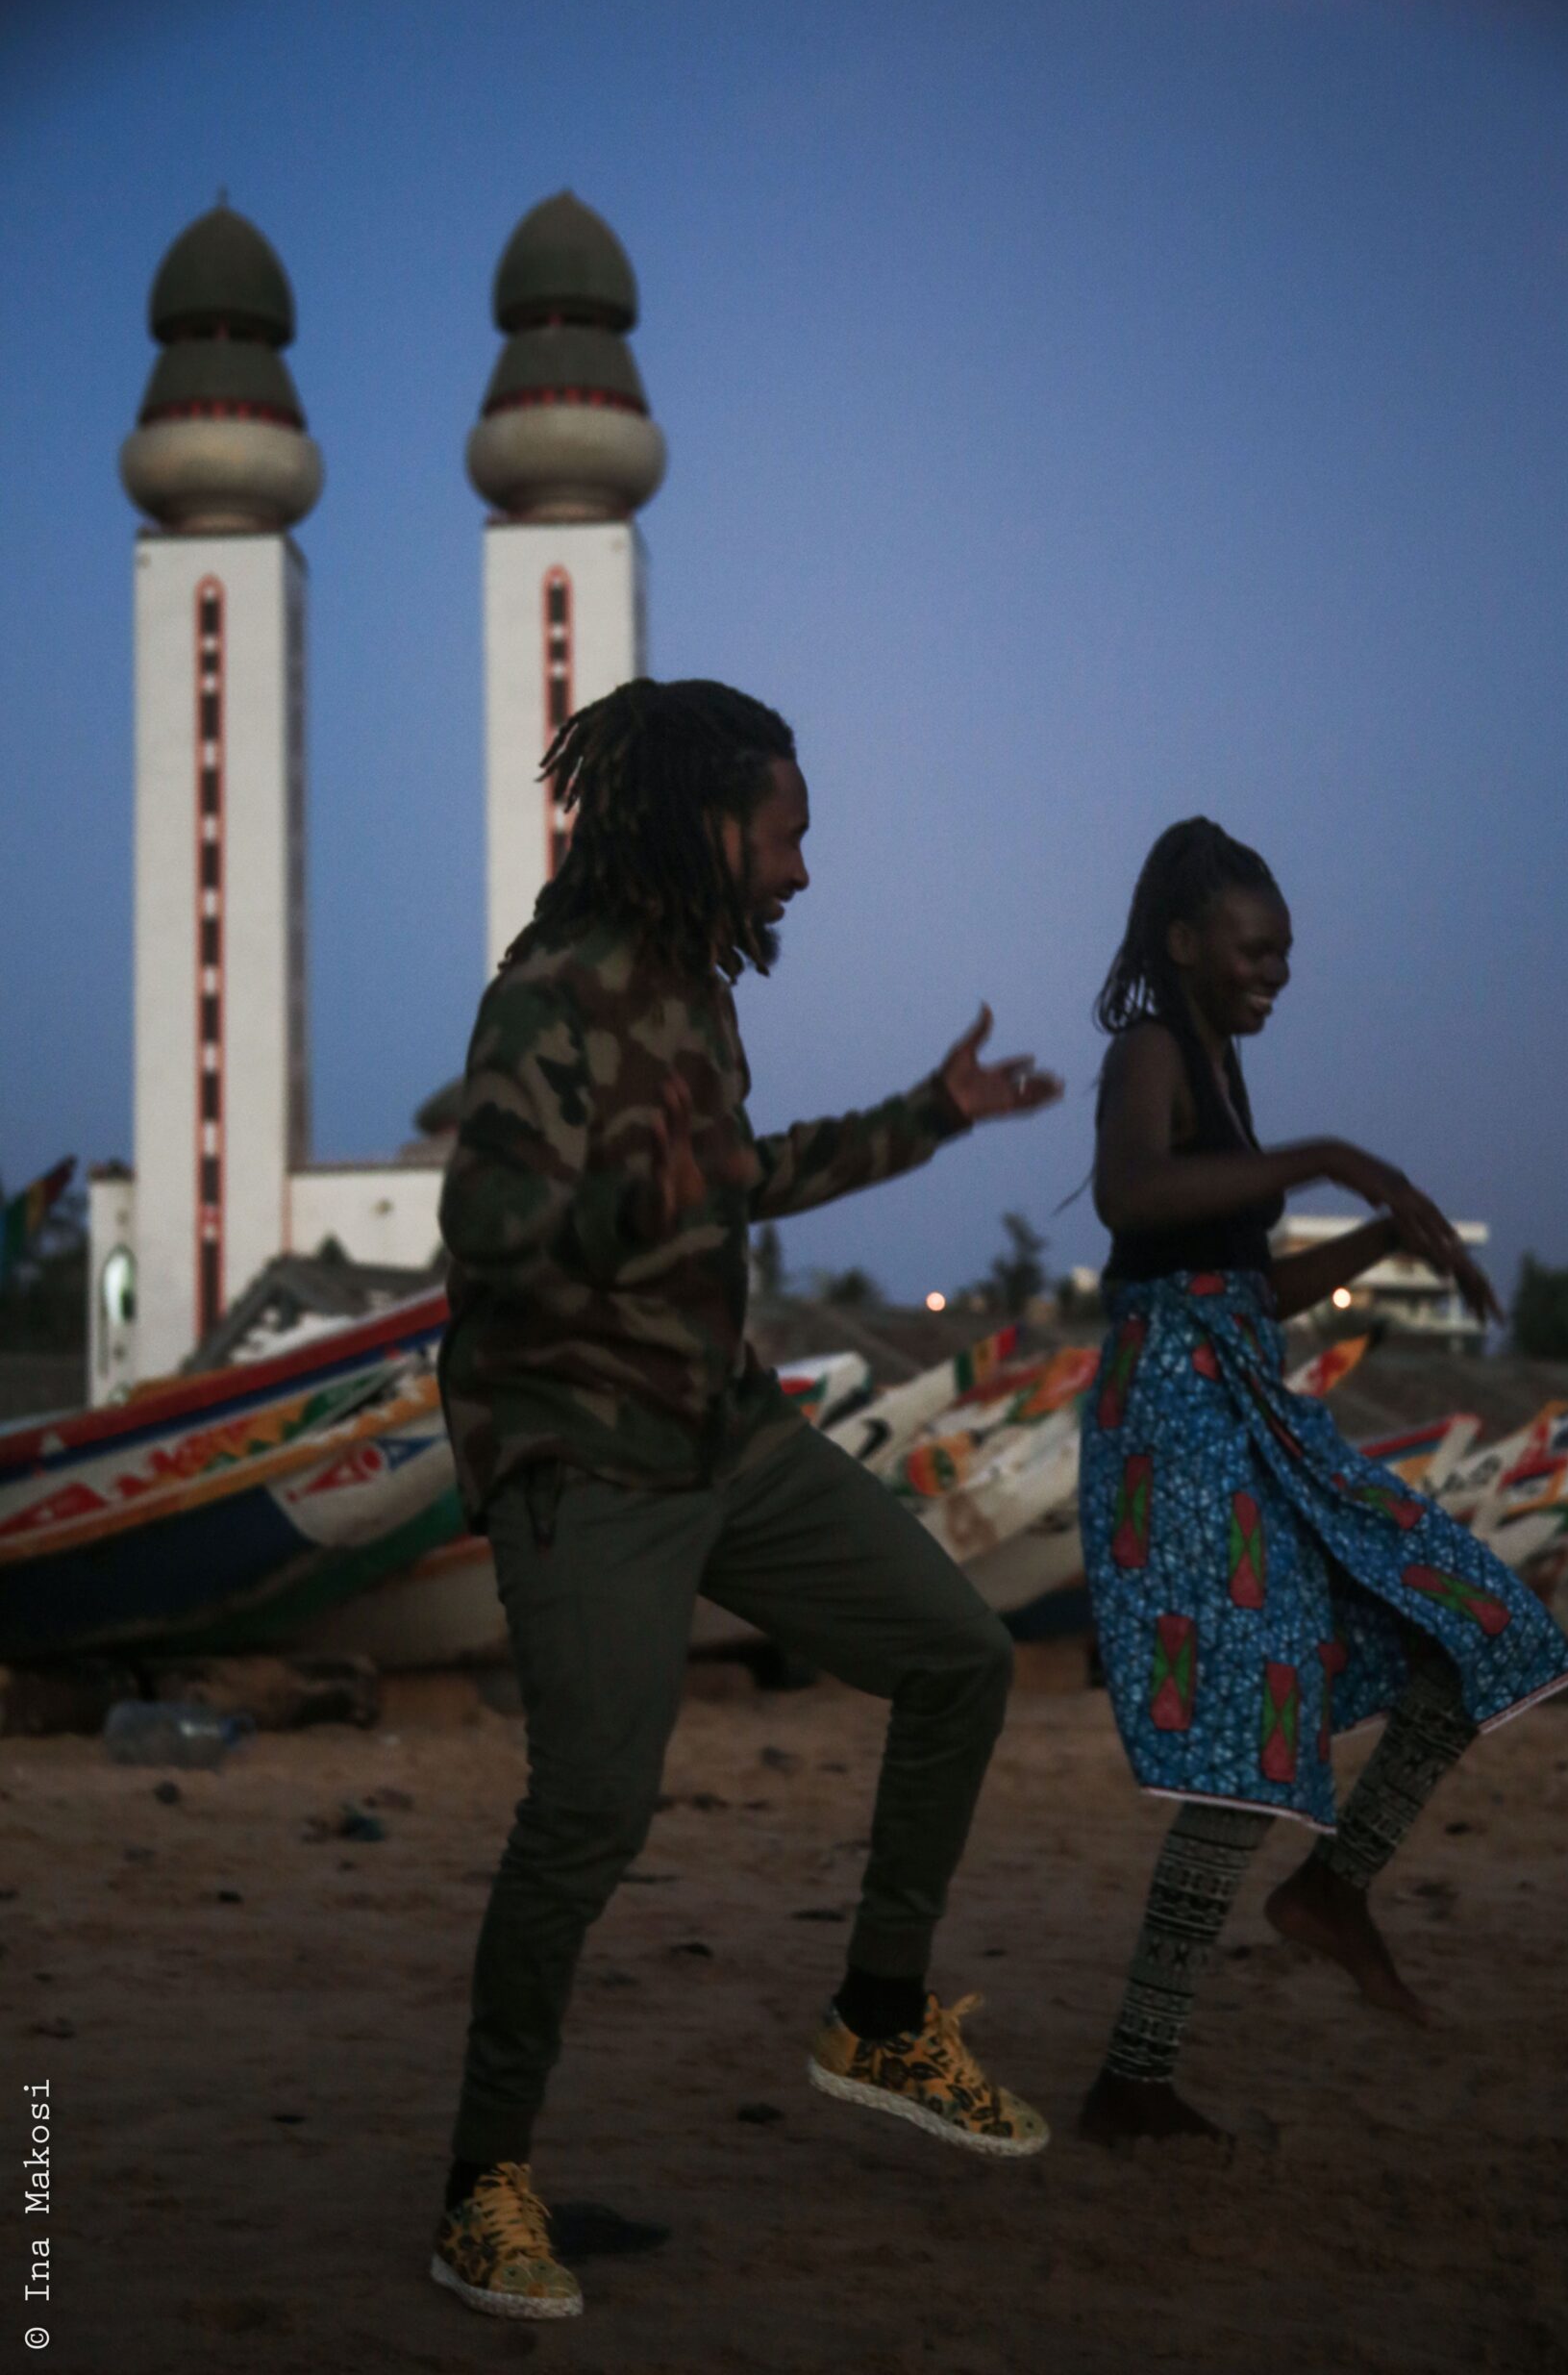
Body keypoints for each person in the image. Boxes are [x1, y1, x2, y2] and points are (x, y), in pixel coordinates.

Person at [430, 677, 1063, 2320]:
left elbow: (743, 1178)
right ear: (699, 826)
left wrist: (931, 1117)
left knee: (959, 1656)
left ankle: (880, 2018)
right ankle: (482, 2185)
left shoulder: (699, 992)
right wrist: (650, 1193)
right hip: (586, 1462)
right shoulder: (548, 998)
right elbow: (488, 1233)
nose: (800, 870)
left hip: (728, 1435)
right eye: (784, 836)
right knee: (591, 1815)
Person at [1074, 817, 1568, 2151]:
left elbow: (1244, 1280)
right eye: (1255, 949)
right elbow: (1128, 1196)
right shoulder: (1150, 1049)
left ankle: (1333, 1889)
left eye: (1286, 953)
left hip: (1244, 1399)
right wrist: (1328, 1155)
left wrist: (1380, 1237)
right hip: (1175, 1426)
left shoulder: (1223, 1069)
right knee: (1247, 1748)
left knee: (1479, 1624)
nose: (1276, 973)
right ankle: (1134, 2079)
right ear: (1186, 941)